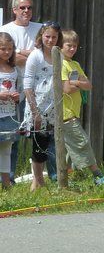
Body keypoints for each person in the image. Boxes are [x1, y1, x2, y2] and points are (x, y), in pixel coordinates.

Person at [59, 30, 104, 185]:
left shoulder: (75, 64)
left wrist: (75, 83)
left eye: (75, 46)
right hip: (65, 113)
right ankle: (97, 175)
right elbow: (66, 89)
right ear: (60, 46)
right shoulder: (61, 64)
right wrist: (77, 84)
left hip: (74, 111)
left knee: (69, 147)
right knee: (82, 142)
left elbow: (88, 85)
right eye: (68, 45)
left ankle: (68, 176)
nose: (72, 49)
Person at [0, 0, 42, 177]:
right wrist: (32, 54)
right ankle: (9, 177)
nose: (26, 11)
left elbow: (43, 56)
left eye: (29, 7)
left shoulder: (40, 29)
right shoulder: (5, 29)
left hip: (37, 89)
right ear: (14, 10)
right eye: (22, 7)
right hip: (13, 90)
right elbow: (12, 58)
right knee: (12, 136)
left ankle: (44, 176)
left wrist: (21, 53)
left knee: (40, 133)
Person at [22, 22, 62, 191]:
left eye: (54, 37)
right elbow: (27, 86)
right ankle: (37, 182)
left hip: (52, 108)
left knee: (46, 144)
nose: (50, 40)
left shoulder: (58, 55)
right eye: (47, 36)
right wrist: (35, 112)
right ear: (41, 36)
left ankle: (39, 181)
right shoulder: (35, 56)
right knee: (38, 144)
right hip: (37, 107)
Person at [0, 32, 20, 188]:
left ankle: (6, 183)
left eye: (10, 49)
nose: (7, 52)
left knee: (6, 149)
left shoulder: (14, 69)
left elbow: (18, 89)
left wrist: (16, 97)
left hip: (9, 114)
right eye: (3, 48)